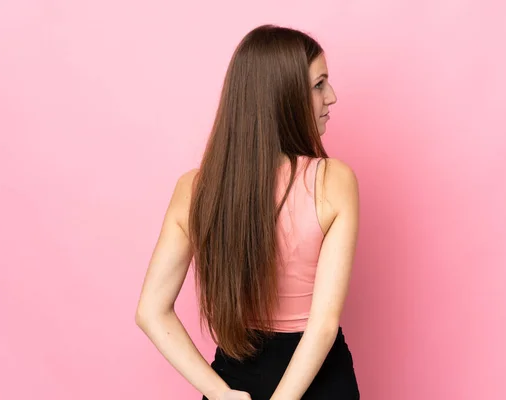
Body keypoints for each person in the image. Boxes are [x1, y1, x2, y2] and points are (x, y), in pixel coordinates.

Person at [135, 24, 360, 400]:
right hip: (319, 380)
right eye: (319, 84)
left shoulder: (193, 190)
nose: (332, 96)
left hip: (234, 379)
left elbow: (150, 311)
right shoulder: (334, 180)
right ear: (284, 95)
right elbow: (321, 327)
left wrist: (219, 393)